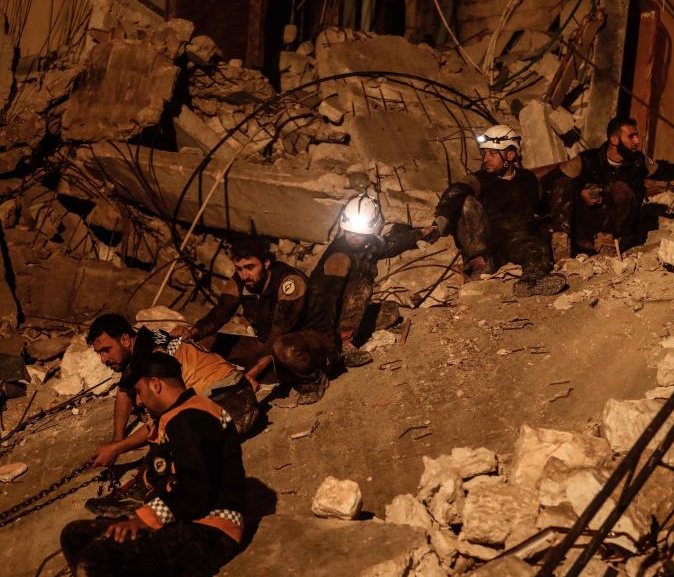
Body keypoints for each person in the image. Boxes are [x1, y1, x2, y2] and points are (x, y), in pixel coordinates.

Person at [61, 352, 245, 577]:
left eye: (138, 392)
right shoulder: (179, 415)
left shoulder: (190, 419)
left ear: (156, 384)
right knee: (75, 534)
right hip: (188, 522)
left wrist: (144, 519)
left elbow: (195, 490)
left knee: (98, 555)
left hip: (209, 532)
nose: (137, 401)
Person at [84, 314, 256, 517]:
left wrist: (117, 448)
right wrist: (116, 441)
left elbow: (159, 422)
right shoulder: (144, 343)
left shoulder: (150, 356)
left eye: (106, 350)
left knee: (171, 429)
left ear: (124, 339)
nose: (104, 359)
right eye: (99, 353)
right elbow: (125, 391)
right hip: (237, 393)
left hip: (230, 403)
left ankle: (140, 492)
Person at [543, 116, 674, 259]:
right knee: (564, 183)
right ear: (614, 140)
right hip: (585, 230)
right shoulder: (586, 160)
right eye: (631, 136)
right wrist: (580, 193)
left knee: (621, 188)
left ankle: (607, 244)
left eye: (637, 136)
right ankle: (561, 247)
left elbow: (665, 170)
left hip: (619, 234)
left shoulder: (640, 161)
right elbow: (551, 181)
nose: (637, 141)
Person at [301, 190, 432, 369]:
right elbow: (325, 302)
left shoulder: (368, 244)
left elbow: (390, 245)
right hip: (322, 315)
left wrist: (419, 233)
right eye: (350, 233)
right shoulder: (338, 258)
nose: (353, 237)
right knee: (362, 287)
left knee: (391, 312)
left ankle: (348, 333)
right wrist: (330, 347)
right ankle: (344, 344)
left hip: (345, 307)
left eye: (359, 234)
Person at [433, 124, 566, 297]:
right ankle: (477, 264)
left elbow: (539, 208)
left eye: (492, 154)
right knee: (465, 202)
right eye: (484, 153)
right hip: (489, 243)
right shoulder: (480, 179)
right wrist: (441, 219)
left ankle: (531, 282)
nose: (486, 159)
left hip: (518, 240)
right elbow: (457, 190)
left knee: (536, 248)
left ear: (510, 155)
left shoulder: (527, 179)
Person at [171, 235, 309, 390]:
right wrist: (191, 333)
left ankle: (310, 380)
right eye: (239, 268)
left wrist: (250, 375)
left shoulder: (289, 282)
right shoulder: (240, 281)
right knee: (205, 341)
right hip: (266, 347)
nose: (244, 275)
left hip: (301, 345)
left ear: (266, 263)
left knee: (284, 350)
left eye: (250, 267)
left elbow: (279, 334)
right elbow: (219, 314)